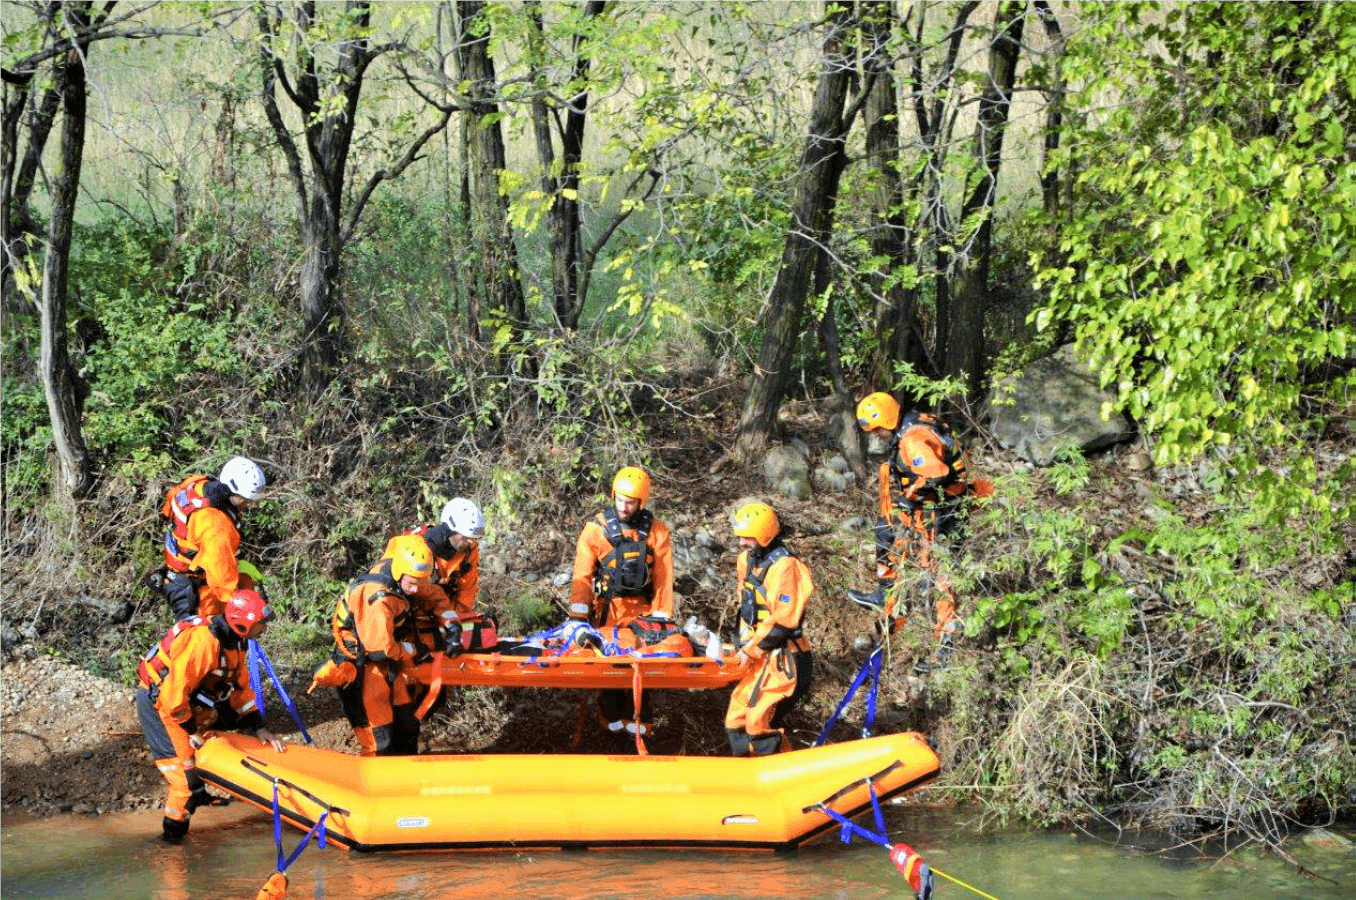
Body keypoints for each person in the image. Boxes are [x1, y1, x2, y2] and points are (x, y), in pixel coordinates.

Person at [849, 392, 989, 668]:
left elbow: (935, 472)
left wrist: (911, 492)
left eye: (876, 429)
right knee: (888, 533)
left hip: (944, 509)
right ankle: (887, 598)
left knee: (939, 576)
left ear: (886, 421)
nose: (875, 435)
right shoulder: (911, 424)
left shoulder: (913, 439)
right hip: (931, 505)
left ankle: (947, 648)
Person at [136, 588, 285, 843]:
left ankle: (199, 791)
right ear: (243, 624)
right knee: (184, 781)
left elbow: (241, 689)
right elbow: (173, 699)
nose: (264, 629)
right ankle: (170, 845)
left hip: (186, 704)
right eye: (261, 624)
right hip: (163, 706)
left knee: (201, 757)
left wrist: (258, 726)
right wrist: (192, 732)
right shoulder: (203, 643)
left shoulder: (235, 643)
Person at [569, 465, 674, 738]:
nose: (624, 507)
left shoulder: (657, 533)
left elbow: (664, 578)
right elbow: (582, 577)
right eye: (620, 500)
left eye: (630, 502)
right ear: (613, 495)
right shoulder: (595, 531)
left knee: (644, 671)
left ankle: (639, 724)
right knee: (611, 672)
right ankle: (609, 725)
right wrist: (577, 620)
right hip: (608, 613)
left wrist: (662, 617)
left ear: (642, 502)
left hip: (644, 616)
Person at [331, 534, 438, 757]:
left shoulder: (405, 571)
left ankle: (405, 784)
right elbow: (380, 649)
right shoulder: (377, 599)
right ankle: (375, 784)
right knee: (380, 739)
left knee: (407, 725)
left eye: (421, 583)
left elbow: (427, 590)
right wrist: (412, 650)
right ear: (400, 573)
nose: (416, 590)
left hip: (387, 661)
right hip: (363, 664)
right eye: (411, 584)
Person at [724, 502, 814, 756]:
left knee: (758, 723)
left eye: (747, 537)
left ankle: (778, 780)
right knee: (736, 719)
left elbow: (784, 621)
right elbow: (746, 607)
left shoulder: (786, 567)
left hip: (785, 660)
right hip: (758, 657)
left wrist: (751, 649)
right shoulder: (746, 561)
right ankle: (745, 777)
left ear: (763, 534)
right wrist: (742, 645)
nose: (742, 542)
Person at [155, 456, 267, 621]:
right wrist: (242, 607)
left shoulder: (195, 484)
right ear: (237, 495)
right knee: (207, 638)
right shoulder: (216, 527)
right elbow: (222, 582)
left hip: (176, 573)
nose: (249, 505)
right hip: (197, 589)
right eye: (247, 500)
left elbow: (168, 508)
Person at [381, 497, 486, 656]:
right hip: (407, 619)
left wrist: (453, 624)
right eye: (464, 537)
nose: (469, 542)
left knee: (480, 632)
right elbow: (387, 587)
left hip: (441, 615)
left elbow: (467, 590)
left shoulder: (468, 551)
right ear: (448, 529)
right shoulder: (412, 546)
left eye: (472, 538)